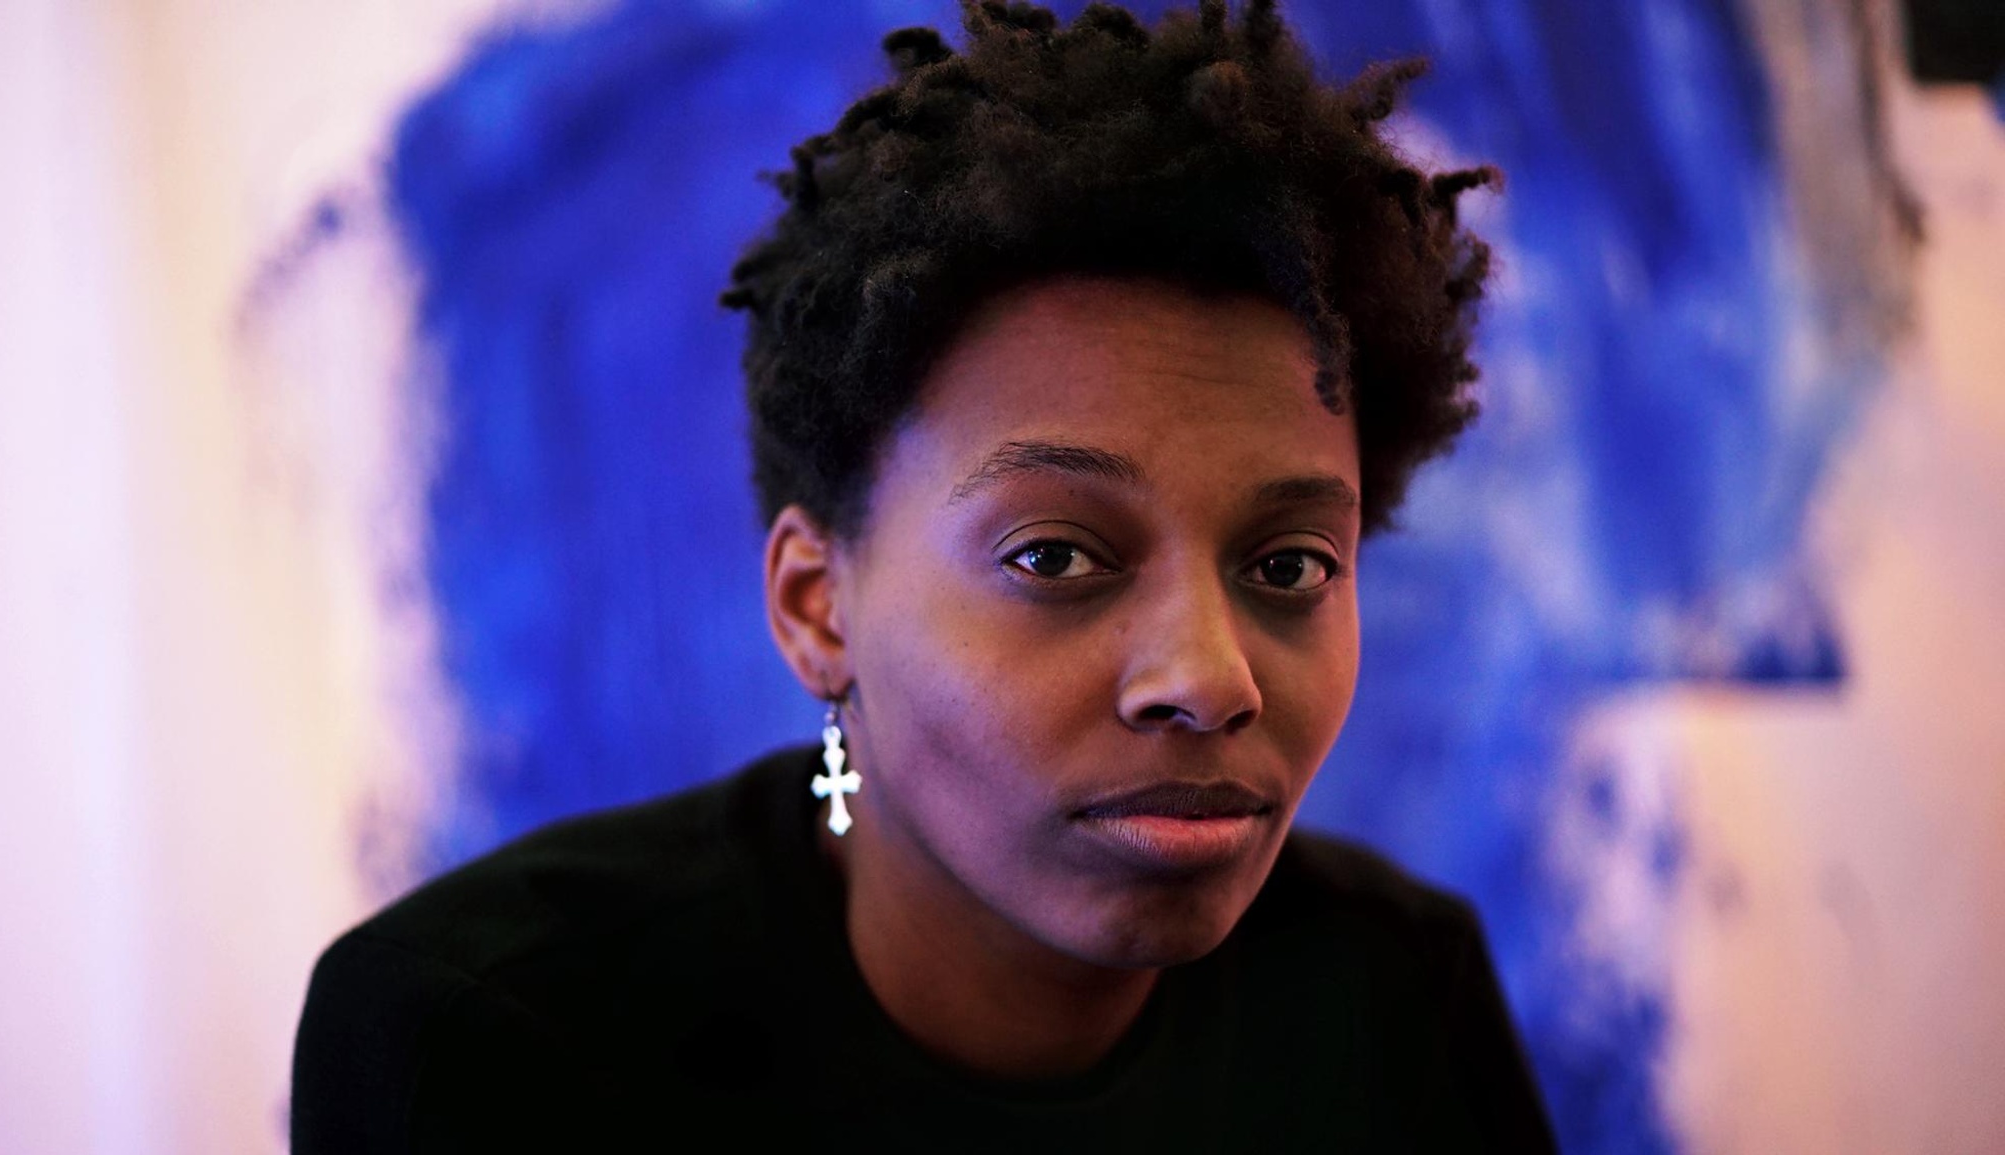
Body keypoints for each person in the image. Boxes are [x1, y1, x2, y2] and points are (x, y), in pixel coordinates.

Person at [291, 1, 1557, 1149]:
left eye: (1289, 563)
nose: (1207, 680)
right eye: (1052, 555)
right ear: (814, 605)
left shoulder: (1396, 998)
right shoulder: (490, 1040)